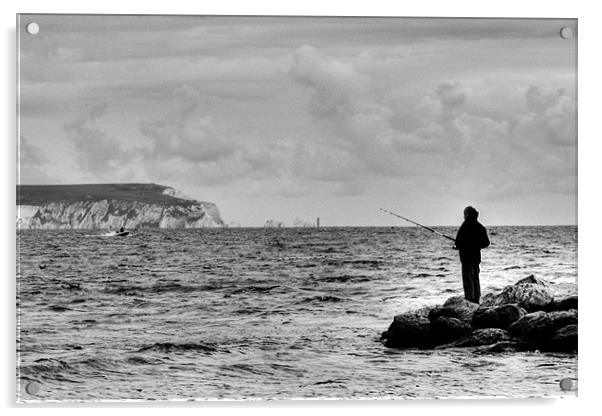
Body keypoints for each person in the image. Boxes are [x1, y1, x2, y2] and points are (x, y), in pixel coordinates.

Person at [454, 206, 490, 303]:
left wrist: (458, 246)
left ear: (466, 214)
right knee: (475, 279)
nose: (463, 217)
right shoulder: (480, 227)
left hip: (466, 258)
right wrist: (476, 244)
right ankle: (476, 300)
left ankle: (469, 300)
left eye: (464, 214)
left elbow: (458, 242)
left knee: (468, 280)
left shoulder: (465, 226)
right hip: (476, 258)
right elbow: (486, 243)